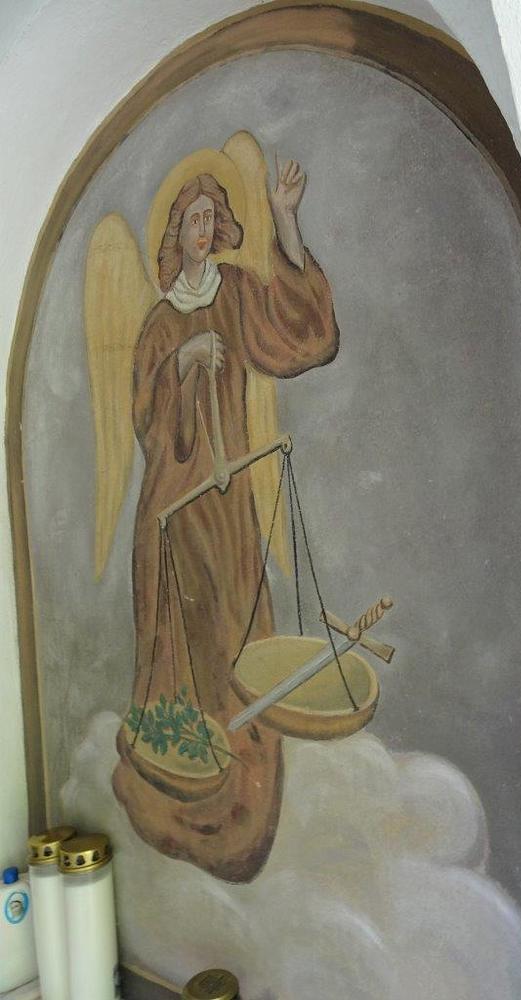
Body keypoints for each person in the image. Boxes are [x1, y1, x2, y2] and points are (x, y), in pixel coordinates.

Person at [112, 157, 339, 882]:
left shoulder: (236, 293)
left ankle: (243, 806)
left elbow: (299, 333)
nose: (204, 231)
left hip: (227, 505)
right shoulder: (157, 325)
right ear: (175, 235)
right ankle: (180, 787)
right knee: (182, 647)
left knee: (242, 637)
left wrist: (287, 219)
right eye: (193, 221)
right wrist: (181, 361)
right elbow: (149, 425)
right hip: (173, 513)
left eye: (212, 219)